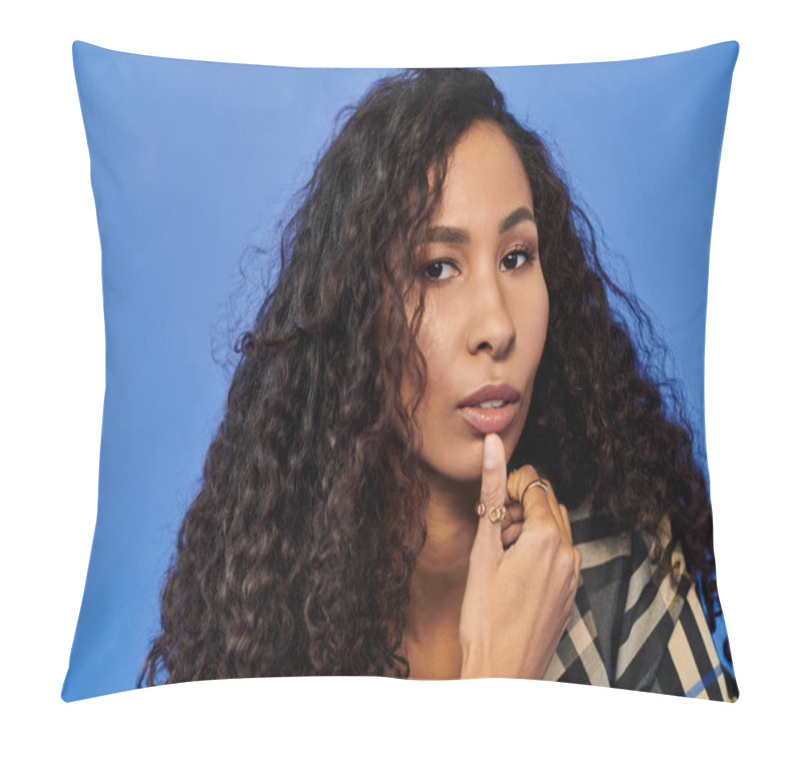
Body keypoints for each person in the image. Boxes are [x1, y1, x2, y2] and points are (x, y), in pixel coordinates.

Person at [140, 68, 736, 700]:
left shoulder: (619, 569)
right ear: (357, 316)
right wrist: (498, 682)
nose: (497, 326)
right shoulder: (267, 613)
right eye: (437, 268)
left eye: (516, 258)